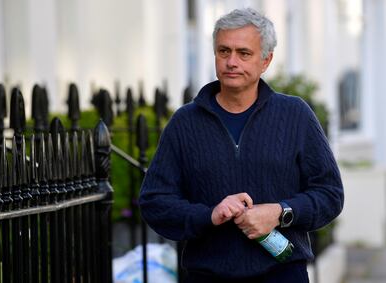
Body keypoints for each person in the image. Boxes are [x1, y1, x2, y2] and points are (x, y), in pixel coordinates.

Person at [139, 7, 344, 283]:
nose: (231, 62)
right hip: (206, 276)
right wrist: (209, 215)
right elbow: (154, 202)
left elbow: (330, 194)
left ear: (266, 61)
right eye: (224, 51)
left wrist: (280, 212)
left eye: (243, 53)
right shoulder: (185, 123)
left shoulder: (295, 115)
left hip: (282, 275)